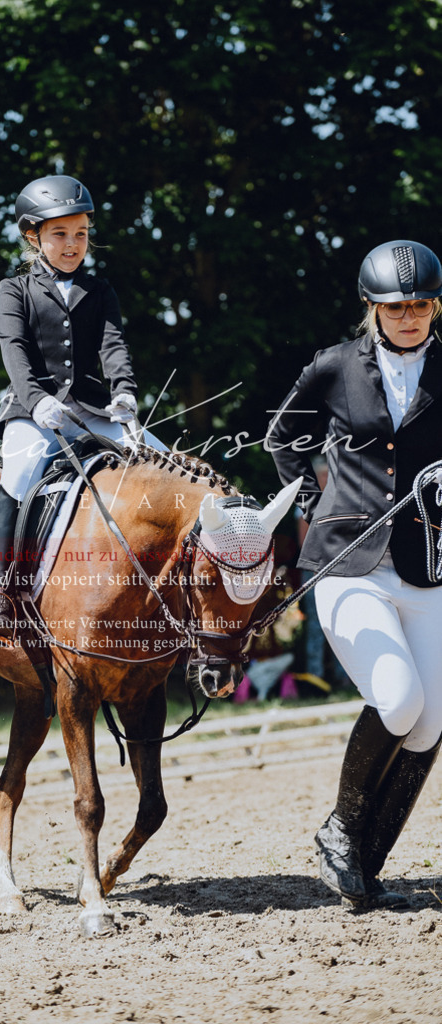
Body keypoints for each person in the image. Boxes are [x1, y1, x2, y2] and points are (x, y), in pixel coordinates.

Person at [267, 239, 442, 910]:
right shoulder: (335, 367)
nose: (408, 317)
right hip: (347, 563)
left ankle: (365, 865)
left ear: (434, 305)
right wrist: (309, 507)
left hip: (426, 567)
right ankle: (341, 828)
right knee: (398, 701)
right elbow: (282, 437)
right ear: (372, 308)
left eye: (420, 304)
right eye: (395, 307)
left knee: (429, 726)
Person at [0, 174, 165, 644]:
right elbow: (14, 351)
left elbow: (113, 344)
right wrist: (37, 400)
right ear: (32, 236)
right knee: (18, 476)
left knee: (166, 468)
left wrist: (124, 392)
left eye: (80, 234)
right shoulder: (12, 290)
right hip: (33, 410)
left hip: (94, 409)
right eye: (60, 234)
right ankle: (4, 588)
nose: (72, 244)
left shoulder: (100, 290)